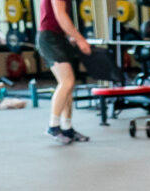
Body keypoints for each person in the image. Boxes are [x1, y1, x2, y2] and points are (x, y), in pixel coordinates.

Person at [34, 0, 90, 143]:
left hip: (58, 37)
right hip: (49, 38)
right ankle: (53, 127)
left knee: (68, 85)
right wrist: (80, 39)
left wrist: (70, 35)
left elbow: (58, 18)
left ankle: (67, 128)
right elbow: (60, 15)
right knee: (67, 82)